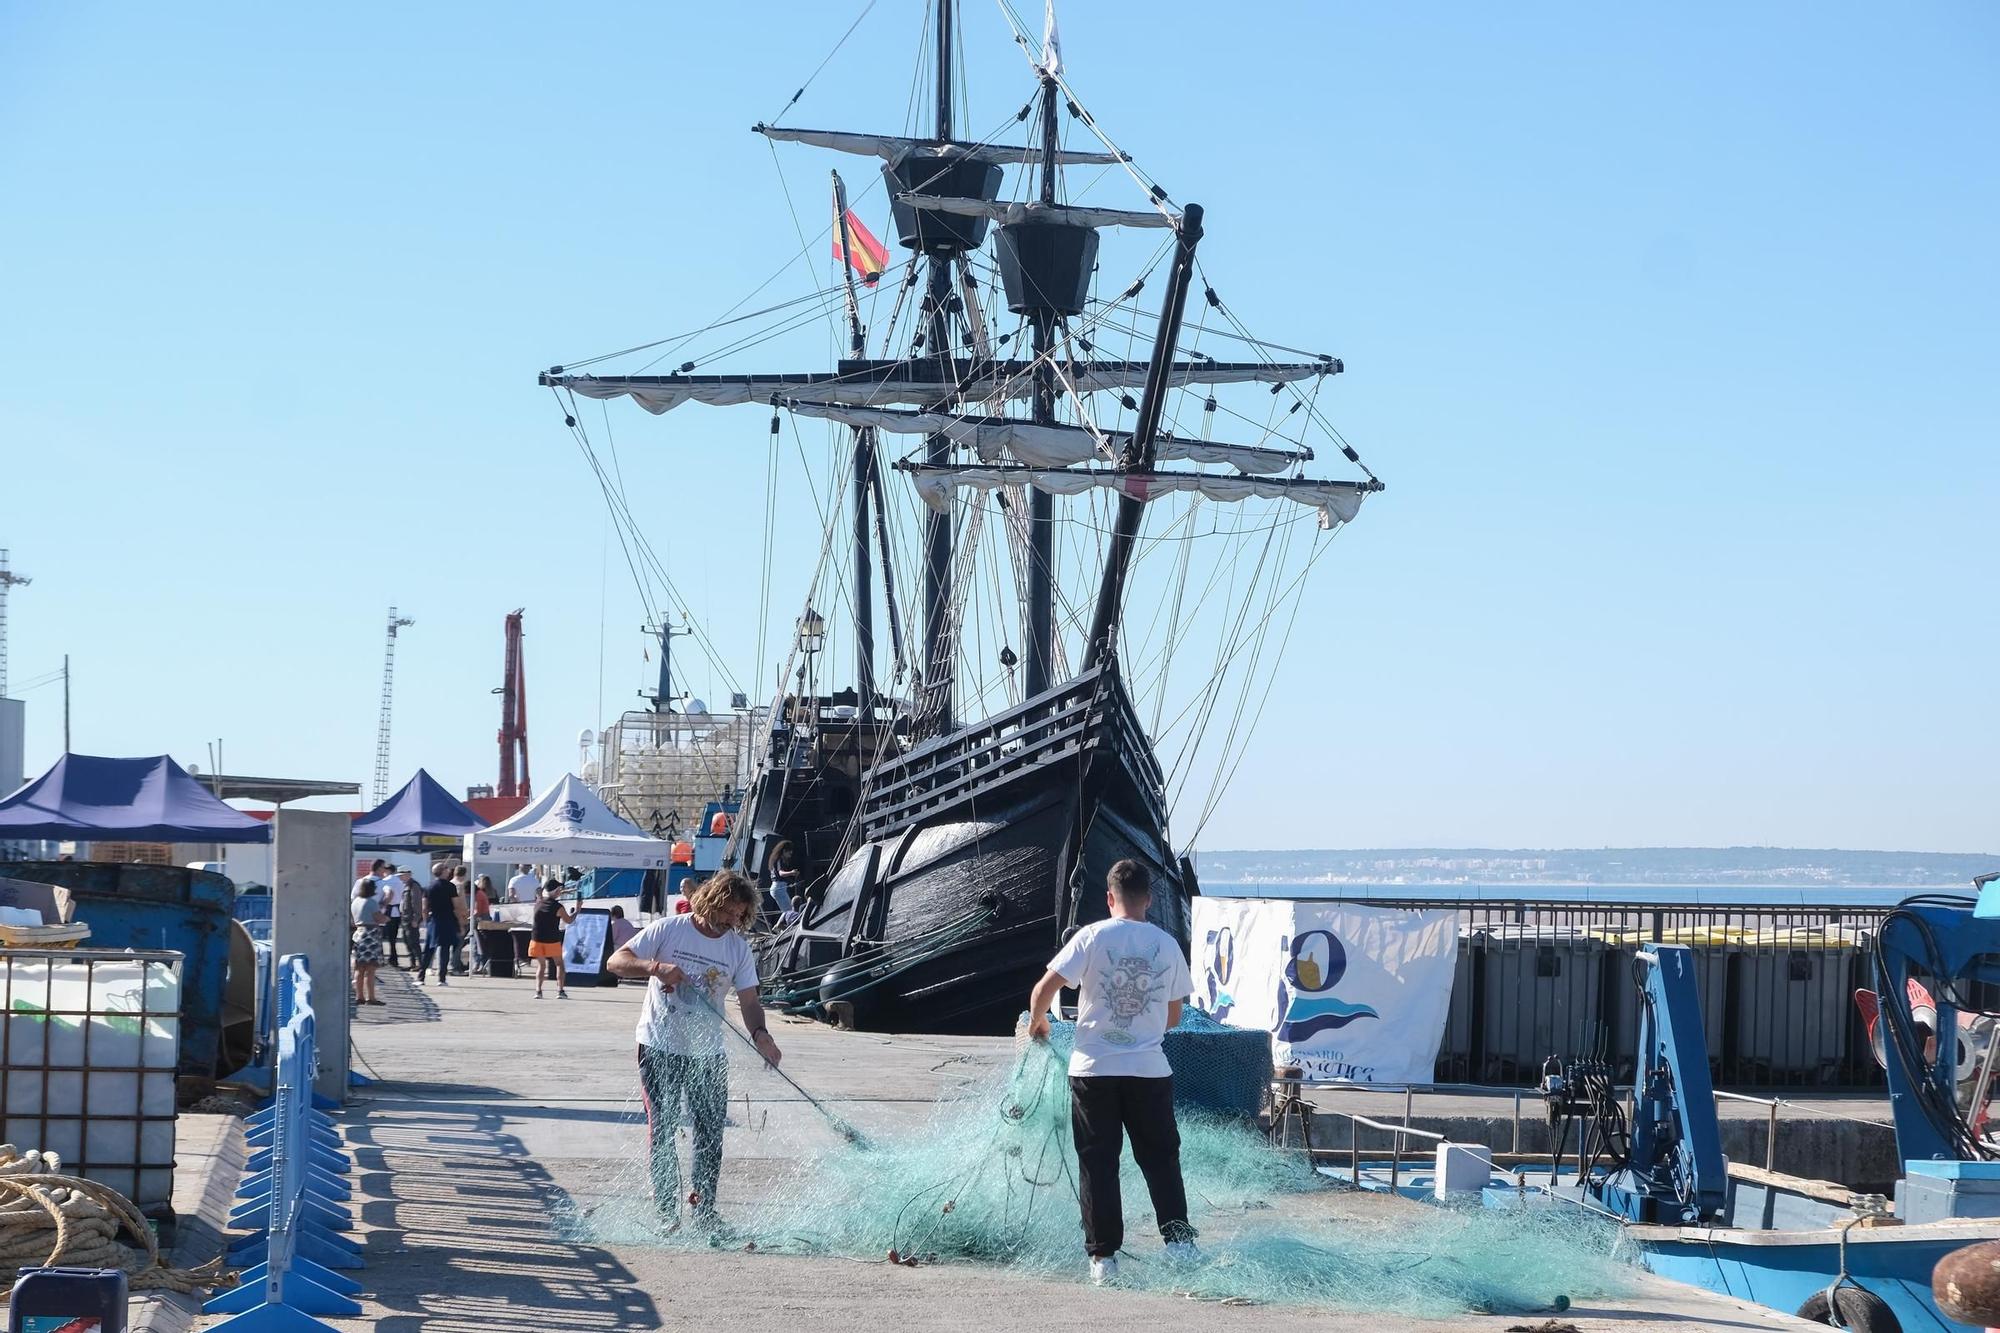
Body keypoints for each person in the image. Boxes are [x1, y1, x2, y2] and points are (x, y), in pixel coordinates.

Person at [1027, 860, 1197, 1285]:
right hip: (1149, 1070)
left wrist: (1039, 1025)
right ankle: (1179, 1245)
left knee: (1099, 1162)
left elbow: (1042, 992)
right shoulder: (1167, 944)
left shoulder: (1091, 936)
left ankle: (1104, 1258)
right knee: (1160, 1158)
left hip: (1093, 1070)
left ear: (1109, 897)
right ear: (1149, 900)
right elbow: (1173, 1017)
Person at [607, 871, 779, 1234]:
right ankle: (667, 1214)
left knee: (710, 1133)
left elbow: (749, 999)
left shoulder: (737, 948)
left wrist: (761, 1034)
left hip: (708, 1052)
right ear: (711, 901)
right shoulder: (669, 929)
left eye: (739, 915)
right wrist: (654, 968)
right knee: (664, 1128)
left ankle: (704, 1212)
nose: (733, 921)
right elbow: (615, 962)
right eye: (729, 911)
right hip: (660, 1045)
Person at [418, 863, 465, 986]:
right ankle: (442, 978)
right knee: (444, 949)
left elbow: (424, 908)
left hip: (433, 920)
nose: (449, 870)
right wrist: (460, 923)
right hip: (447, 920)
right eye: (447, 868)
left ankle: (420, 977)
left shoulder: (428, 887)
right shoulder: (450, 887)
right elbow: (456, 906)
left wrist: (425, 921)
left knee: (428, 949)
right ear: (443, 871)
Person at [530, 879, 577, 999]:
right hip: (552, 940)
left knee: (541, 966)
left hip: (536, 939)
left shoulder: (538, 903)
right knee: (559, 964)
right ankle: (560, 991)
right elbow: (569, 920)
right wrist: (578, 909)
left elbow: (549, 896)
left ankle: (538, 991)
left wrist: (561, 891)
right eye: (559, 890)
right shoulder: (558, 907)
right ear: (556, 891)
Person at [351, 877, 385, 1006]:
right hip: (370, 934)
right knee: (371, 969)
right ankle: (371, 997)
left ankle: (359, 996)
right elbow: (378, 918)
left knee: (359, 968)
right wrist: (385, 919)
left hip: (358, 933)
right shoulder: (371, 902)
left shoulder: (355, 902)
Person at [377, 865, 406, 968]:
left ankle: (382, 957)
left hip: (386, 910)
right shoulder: (400, 882)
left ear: (387, 870)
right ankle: (393, 958)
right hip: (397, 911)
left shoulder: (384, 881)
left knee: (381, 936)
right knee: (393, 938)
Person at [398, 868, 425, 965]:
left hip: (411, 919)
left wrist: (416, 919)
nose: (400, 877)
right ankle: (413, 963)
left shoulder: (413, 886)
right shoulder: (406, 885)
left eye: (402, 875)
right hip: (405, 918)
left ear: (408, 875)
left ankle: (420, 963)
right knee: (407, 940)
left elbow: (416, 903)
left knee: (413, 941)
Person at [470, 874, 497, 974]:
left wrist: (470, 916)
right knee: (484, 943)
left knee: (477, 944)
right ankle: (484, 964)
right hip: (488, 917)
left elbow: (477, 910)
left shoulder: (478, 894)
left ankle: (478, 964)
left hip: (480, 919)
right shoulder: (492, 891)